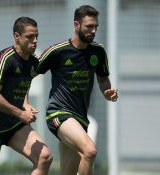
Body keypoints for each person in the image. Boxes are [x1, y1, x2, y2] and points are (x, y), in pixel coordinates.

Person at [36, 5, 118, 175]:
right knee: (90, 151)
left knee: (69, 172)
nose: (93, 30)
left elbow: (103, 79)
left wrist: (107, 91)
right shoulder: (57, 51)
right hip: (58, 114)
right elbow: (28, 73)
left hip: (80, 119)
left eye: (95, 26)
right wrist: (24, 102)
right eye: (89, 26)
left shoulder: (98, 51)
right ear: (76, 25)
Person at [0, 17, 53, 175]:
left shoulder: (32, 61)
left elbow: (22, 82)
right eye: (29, 37)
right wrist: (21, 113)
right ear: (17, 36)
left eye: (36, 36)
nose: (35, 40)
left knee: (44, 157)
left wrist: (25, 102)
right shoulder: (4, 59)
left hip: (14, 124)